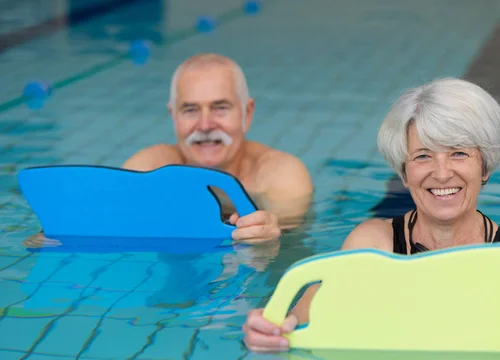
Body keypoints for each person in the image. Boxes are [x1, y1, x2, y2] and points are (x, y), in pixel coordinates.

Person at [242, 77, 500, 359]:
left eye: (459, 153)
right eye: (422, 156)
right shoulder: (373, 245)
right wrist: (267, 334)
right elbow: (295, 323)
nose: (442, 173)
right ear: (404, 174)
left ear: (484, 166)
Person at [23, 54, 313, 248]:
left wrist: (270, 236)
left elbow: (287, 245)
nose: (205, 124)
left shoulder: (280, 176)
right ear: (173, 116)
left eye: (220, 108)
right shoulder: (146, 167)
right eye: (190, 110)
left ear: (247, 113)